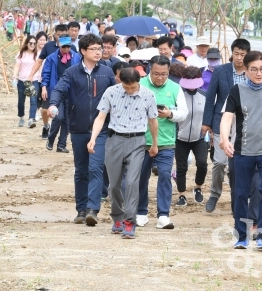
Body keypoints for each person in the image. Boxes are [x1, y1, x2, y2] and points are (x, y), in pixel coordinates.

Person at [220, 51, 262, 250]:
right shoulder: (237, 90)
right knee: (241, 193)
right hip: (243, 150)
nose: (259, 73)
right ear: (246, 70)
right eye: (254, 69)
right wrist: (225, 139)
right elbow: (227, 117)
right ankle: (242, 234)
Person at [48, 35, 116, 225]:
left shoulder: (107, 72)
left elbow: (116, 96)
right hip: (78, 128)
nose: (98, 52)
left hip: (101, 130)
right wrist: (54, 105)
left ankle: (92, 210)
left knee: (96, 167)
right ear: (83, 51)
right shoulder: (71, 72)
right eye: (93, 49)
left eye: (99, 48)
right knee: (81, 170)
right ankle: (81, 209)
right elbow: (59, 90)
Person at [87, 68, 159, 238]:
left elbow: (153, 121)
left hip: (137, 141)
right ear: (119, 80)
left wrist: (155, 143)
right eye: (126, 87)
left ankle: (129, 222)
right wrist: (93, 138)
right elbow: (101, 117)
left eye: (133, 87)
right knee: (113, 185)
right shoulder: (111, 92)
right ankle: (117, 218)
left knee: (132, 182)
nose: (130, 90)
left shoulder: (148, 95)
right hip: (115, 140)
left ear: (138, 82)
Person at [136, 56, 188, 230]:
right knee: (141, 177)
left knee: (165, 175)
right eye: (156, 74)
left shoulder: (175, 88)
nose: (160, 77)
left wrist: (170, 114)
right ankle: (141, 212)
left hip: (166, 141)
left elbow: (183, 112)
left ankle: (163, 215)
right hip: (141, 140)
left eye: (164, 74)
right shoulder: (140, 84)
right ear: (150, 69)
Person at [201, 38, 251, 213]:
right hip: (220, 120)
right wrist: (206, 122)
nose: (239, 58)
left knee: (237, 165)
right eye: (236, 53)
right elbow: (210, 97)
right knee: (220, 162)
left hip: (243, 124)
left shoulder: (251, 72)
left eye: (243, 55)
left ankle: (236, 198)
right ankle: (214, 193)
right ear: (231, 53)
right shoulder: (221, 71)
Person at [27, 24, 72, 139]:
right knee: (46, 109)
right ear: (55, 35)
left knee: (63, 113)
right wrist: (31, 75)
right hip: (51, 84)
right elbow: (39, 61)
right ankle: (46, 126)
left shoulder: (72, 49)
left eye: (63, 35)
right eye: (58, 35)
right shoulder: (49, 47)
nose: (60, 37)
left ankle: (60, 137)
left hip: (67, 86)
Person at [41, 35, 81, 153]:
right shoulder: (51, 58)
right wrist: (44, 87)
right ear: (59, 46)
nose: (66, 49)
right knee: (58, 117)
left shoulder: (76, 57)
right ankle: (51, 138)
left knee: (67, 120)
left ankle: (61, 145)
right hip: (56, 91)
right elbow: (46, 74)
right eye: (64, 47)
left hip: (71, 92)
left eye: (68, 47)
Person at [175, 66, 208, 206]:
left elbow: (208, 113)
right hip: (180, 138)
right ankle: (181, 194)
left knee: (202, 164)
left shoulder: (204, 95)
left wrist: (207, 126)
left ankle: (198, 187)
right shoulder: (178, 94)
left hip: (199, 137)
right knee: (181, 167)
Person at [12, 36, 40, 128]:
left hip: (32, 80)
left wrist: (40, 76)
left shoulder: (37, 54)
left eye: (34, 43)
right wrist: (15, 75)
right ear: (27, 43)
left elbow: (40, 66)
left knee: (33, 100)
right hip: (22, 80)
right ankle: (21, 117)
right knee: (21, 101)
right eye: (30, 43)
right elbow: (17, 65)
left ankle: (31, 119)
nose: (32, 45)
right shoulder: (21, 53)